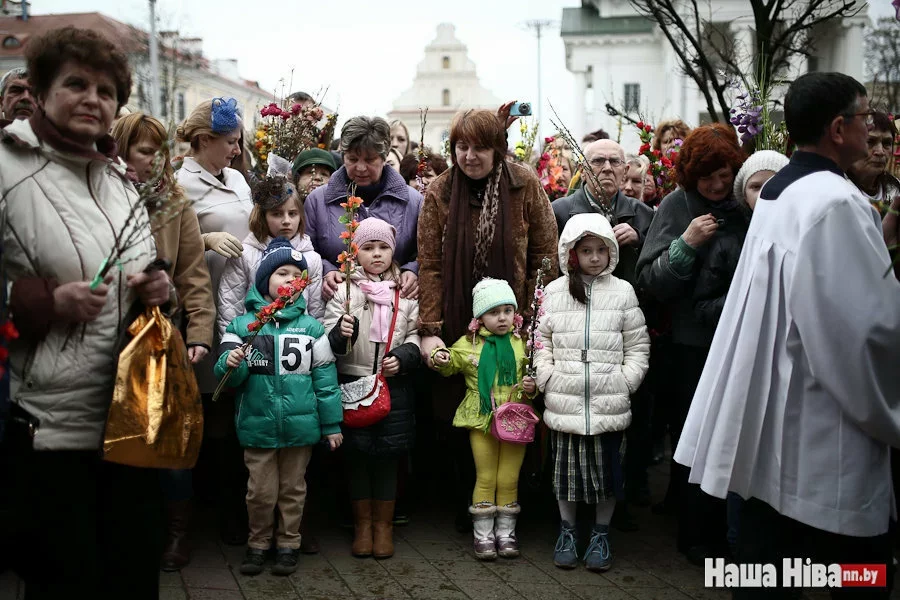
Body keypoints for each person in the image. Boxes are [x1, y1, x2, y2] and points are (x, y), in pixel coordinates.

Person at [675, 72, 900, 599]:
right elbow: (863, 332)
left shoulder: (781, 192)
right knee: (858, 573)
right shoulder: (836, 203)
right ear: (839, 128)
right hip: (828, 425)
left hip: (776, 413)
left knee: (768, 566)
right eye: (866, 118)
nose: (873, 130)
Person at [0, 26, 171, 599]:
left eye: (105, 90)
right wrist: (44, 303)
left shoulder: (121, 183)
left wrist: (154, 285)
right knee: (66, 584)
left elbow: (143, 264)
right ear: (43, 91)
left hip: (128, 424)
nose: (93, 99)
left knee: (130, 579)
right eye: (76, 83)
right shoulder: (6, 171)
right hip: (51, 434)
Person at [416, 108, 558, 531]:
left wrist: (532, 319)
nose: (469, 156)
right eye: (461, 146)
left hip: (513, 320)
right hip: (461, 318)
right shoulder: (440, 191)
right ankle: (470, 504)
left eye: (479, 147)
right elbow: (430, 264)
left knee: (514, 400)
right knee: (464, 410)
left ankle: (512, 502)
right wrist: (430, 330)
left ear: (498, 149)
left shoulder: (524, 183)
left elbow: (544, 255)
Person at [635, 122, 747, 563]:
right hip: (690, 345)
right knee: (694, 436)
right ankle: (694, 534)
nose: (718, 185)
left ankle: (730, 531)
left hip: (739, 339)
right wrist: (686, 243)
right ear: (690, 176)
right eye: (708, 178)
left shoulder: (745, 202)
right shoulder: (677, 206)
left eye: (725, 175)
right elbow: (649, 279)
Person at [110, 112, 216, 572]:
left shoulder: (174, 202)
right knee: (118, 436)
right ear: (121, 150)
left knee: (170, 437)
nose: (155, 161)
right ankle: (124, 530)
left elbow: (193, 272)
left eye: (158, 151)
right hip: (109, 332)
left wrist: (198, 332)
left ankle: (177, 534)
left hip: (159, 330)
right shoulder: (102, 194)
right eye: (144, 150)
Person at [215, 237, 343, 577]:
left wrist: (331, 425)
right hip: (257, 427)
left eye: (296, 275)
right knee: (259, 492)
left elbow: (326, 381)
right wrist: (233, 360)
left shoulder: (312, 329)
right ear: (263, 281)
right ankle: (258, 543)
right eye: (281, 273)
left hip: (300, 429)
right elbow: (226, 375)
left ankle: (289, 543)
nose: (289, 280)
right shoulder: (242, 326)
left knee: (292, 490)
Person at [535, 212, 649, 571]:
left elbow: (637, 343)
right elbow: (541, 341)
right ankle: (567, 530)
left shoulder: (623, 292)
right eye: (587, 250)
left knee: (608, 478)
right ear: (572, 253)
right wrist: (546, 376)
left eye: (602, 249)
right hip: (565, 399)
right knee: (565, 477)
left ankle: (601, 533)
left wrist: (628, 379)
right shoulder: (554, 292)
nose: (595, 257)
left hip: (608, 401)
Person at [175, 97, 255, 544]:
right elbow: (162, 238)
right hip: (204, 309)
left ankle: (237, 510)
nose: (237, 150)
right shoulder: (179, 184)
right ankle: (212, 513)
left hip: (245, 307)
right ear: (204, 140)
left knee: (241, 407)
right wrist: (204, 237)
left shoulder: (239, 179)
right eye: (230, 142)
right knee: (212, 409)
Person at [323, 218, 421, 559]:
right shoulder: (344, 290)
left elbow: (414, 333)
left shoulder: (405, 292)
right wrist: (340, 333)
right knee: (358, 457)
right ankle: (362, 526)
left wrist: (406, 356)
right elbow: (327, 337)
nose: (376, 254)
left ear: (393, 251)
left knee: (388, 459)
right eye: (367, 248)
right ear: (355, 252)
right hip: (353, 383)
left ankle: (384, 526)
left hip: (393, 388)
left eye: (383, 248)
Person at [432, 278, 536, 560]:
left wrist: (532, 387)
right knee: (487, 475)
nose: (501, 318)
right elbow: (451, 360)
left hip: (516, 418)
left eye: (506, 310)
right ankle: (484, 535)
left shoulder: (523, 343)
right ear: (479, 317)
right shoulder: (469, 344)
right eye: (493, 312)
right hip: (482, 418)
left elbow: (536, 374)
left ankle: (506, 533)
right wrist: (439, 357)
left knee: (509, 477)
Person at [305, 116, 422, 302]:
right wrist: (327, 270)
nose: (360, 167)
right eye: (352, 159)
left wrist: (412, 270)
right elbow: (306, 251)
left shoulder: (413, 201)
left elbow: (426, 253)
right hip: (338, 307)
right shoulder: (318, 201)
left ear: (384, 157)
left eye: (370, 159)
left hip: (396, 307)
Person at [218, 175, 324, 333]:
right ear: (263, 217)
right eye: (277, 214)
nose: (286, 221)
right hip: (253, 344)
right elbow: (229, 306)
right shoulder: (244, 254)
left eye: (293, 214)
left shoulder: (311, 259)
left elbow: (317, 311)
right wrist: (230, 347)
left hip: (297, 343)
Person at [847, 111, 899, 216]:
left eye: (886, 143)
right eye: (870, 141)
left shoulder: (895, 189)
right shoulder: (836, 189)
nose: (880, 151)